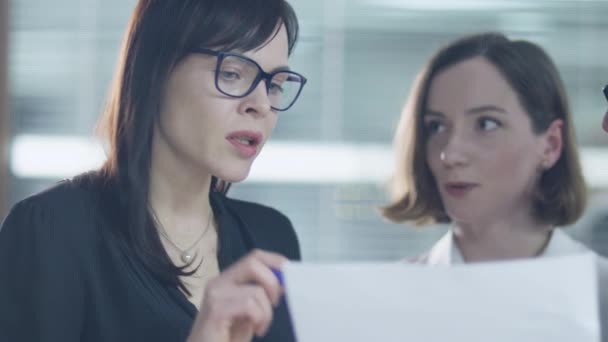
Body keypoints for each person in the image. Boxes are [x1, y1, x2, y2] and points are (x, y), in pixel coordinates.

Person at [0, 0, 307, 341]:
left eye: (275, 84)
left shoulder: (272, 237)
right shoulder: (52, 232)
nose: (261, 105)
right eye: (232, 73)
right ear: (155, 69)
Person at [382, 32, 608, 340]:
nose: (450, 154)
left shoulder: (600, 294)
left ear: (550, 145)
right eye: (436, 126)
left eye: (486, 123)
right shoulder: (383, 303)